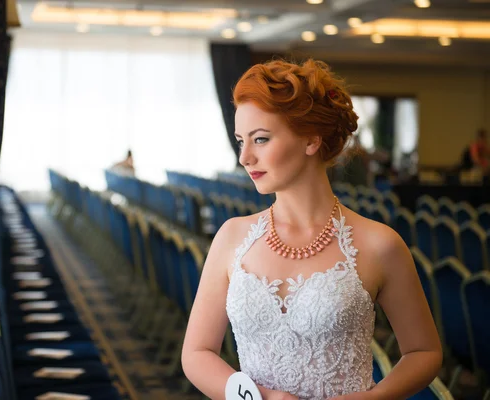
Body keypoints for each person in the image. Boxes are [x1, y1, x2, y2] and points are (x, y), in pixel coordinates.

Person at [181, 59, 442, 400]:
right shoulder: (232, 237)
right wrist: (263, 398)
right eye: (240, 140)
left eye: (260, 139)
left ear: (310, 140)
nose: (244, 157)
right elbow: (197, 353)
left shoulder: (379, 244)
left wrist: (372, 398)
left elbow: (424, 353)